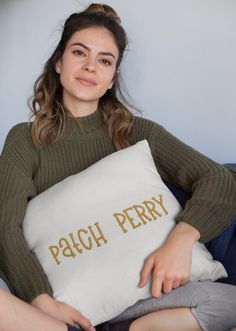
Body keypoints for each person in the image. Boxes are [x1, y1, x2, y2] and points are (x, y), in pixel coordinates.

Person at [0, 3, 236, 331]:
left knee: (228, 303)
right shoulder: (25, 139)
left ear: (112, 78)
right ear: (58, 62)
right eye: (79, 52)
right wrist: (42, 300)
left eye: (105, 60)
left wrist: (181, 240)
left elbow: (220, 179)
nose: (90, 67)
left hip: (144, 297)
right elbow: (5, 227)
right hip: (59, 306)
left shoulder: (138, 133)